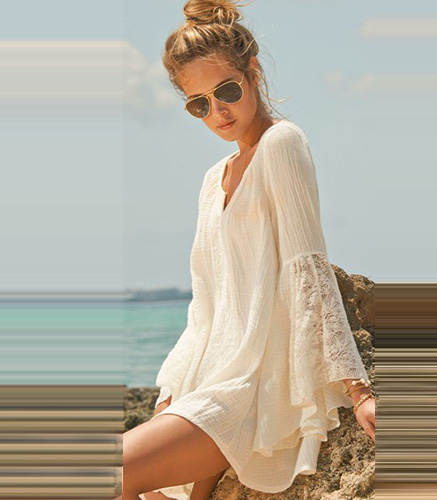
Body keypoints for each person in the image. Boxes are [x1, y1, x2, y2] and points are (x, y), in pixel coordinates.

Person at [120, 1, 375, 499]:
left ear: (253, 73)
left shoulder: (283, 144)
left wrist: (358, 389)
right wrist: (171, 388)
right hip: (208, 385)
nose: (217, 112)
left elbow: (307, 268)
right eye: (199, 104)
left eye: (227, 91)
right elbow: (206, 303)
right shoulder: (211, 181)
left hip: (252, 392)